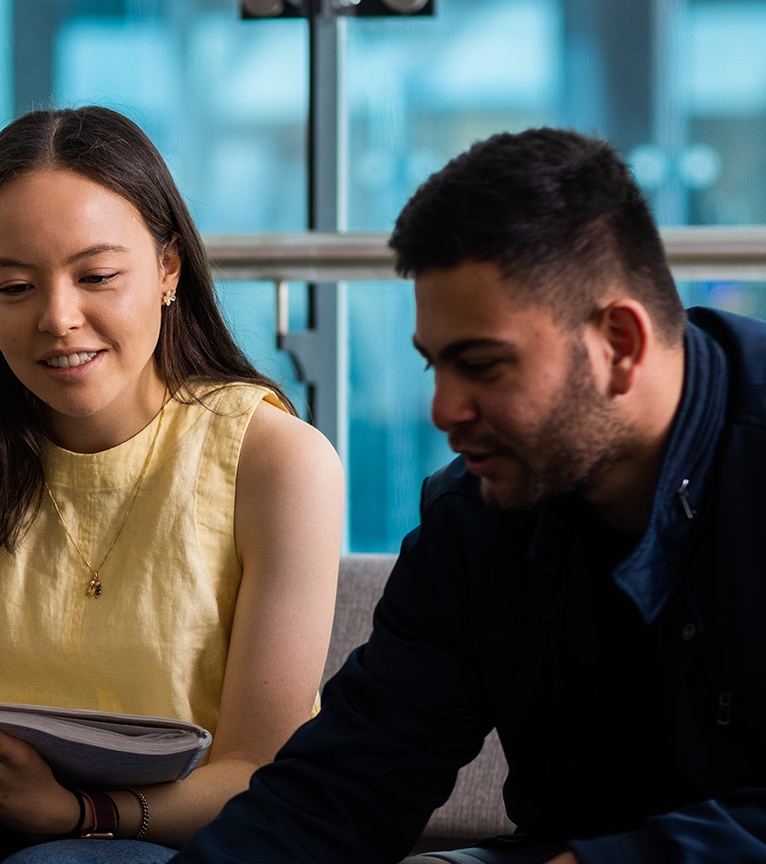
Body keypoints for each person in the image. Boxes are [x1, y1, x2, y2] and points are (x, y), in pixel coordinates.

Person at [172, 127, 766, 864]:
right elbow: (346, 788)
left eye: (481, 366)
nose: (444, 411)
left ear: (620, 342)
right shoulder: (476, 516)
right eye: (434, 368)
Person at [0, 106, 343, 862]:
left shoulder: (278, 462)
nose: (58, 319)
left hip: (175, 831)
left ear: (169, 269)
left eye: (96, 277)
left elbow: (262, 774)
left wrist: (73, 811)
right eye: (16, 287)